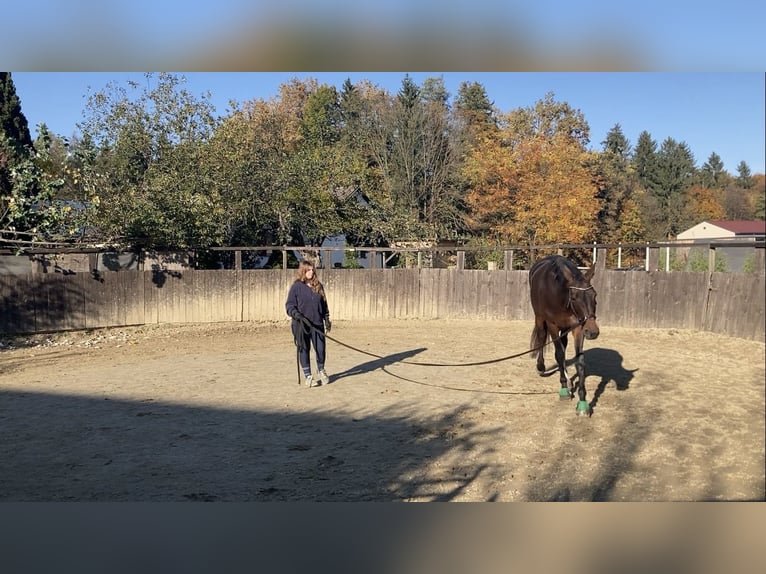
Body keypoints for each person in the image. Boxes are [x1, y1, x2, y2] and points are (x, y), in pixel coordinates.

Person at [285, 259, 332, 388]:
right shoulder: (296, 287)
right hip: (301, 325)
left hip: (317, 323)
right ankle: (308, 376)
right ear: (303, 271)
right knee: (304, 348)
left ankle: (321, 370)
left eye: (312, 270)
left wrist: (327, 318)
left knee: (321, 349)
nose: (311, 272)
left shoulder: (318, 286)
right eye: (308, 270)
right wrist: (296, 314)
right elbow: (289, 305)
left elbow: (324, 304)